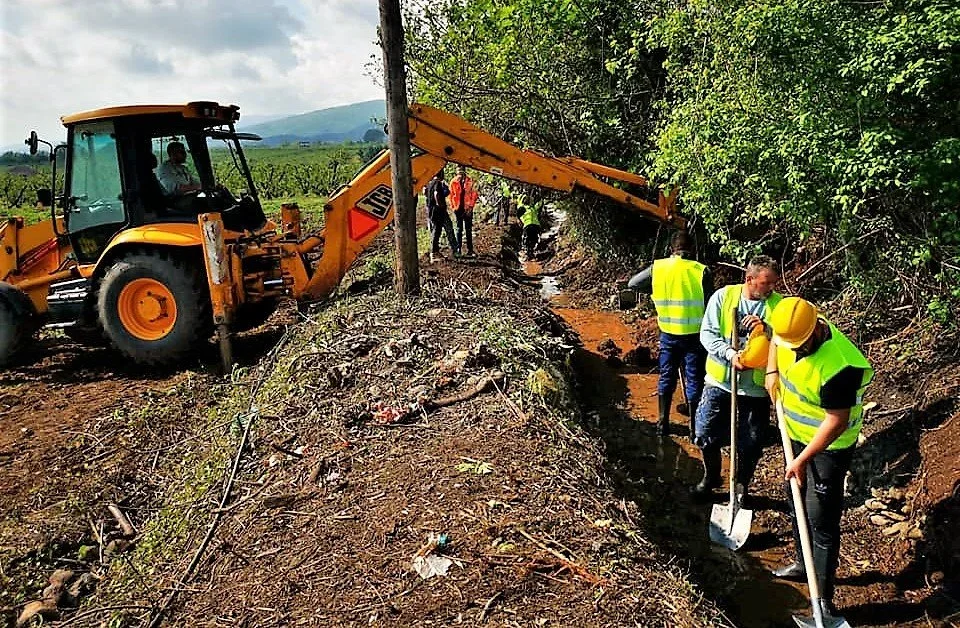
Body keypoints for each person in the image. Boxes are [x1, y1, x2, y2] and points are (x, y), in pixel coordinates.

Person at [766, 297, 873, 614]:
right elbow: (775, 337)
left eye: (798, 346)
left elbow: (835, 422)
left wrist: (800, 460)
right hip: (795, 435)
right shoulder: (790, 321)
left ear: (814, 331)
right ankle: (803, 564)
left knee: (821, 517)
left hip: (829, 447)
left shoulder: (842, 366)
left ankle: (823, 601)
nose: (793, 350)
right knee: (794, 497)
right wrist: (771, 369)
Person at [691, 255, 783, 499]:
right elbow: (708, 334)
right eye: (766, 283)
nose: (771, 288)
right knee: (704, 432)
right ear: (749, 278)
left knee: (752, 442)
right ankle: (711, 477)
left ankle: (741, 485)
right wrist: (730, 354)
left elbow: (788, 339)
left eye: (774, 283)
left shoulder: (778, 305)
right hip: (720, 381)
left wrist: (766, 327)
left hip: (755, 387)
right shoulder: (723, 297)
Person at [627, 231, 712, 436]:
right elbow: (710, 302)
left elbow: (633, 284)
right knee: (694, 379)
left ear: (671, 249)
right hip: (694, 335)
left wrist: (656, 289)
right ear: (691, 249)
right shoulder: (701, 271)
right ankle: (694, 429)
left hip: (668, 334)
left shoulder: (659, 268)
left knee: (667, 376)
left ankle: (662, 424)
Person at [425, 170, 457, 262]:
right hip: (438, 211)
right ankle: (434, 253)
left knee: (436, 231)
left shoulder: (430, 183)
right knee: (436, 231)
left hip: (432, 211)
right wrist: (440, 204)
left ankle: (436, 252)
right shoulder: (438, 183)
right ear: (441, 174)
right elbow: (436, 194)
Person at [450, 165, 479, 256]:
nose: (460, 174)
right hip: (458, 209)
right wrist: (453, 207)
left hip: (467, 209)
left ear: (464, 172)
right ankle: (458, 249)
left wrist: (470, 207)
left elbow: (474, 195)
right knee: (459, 229)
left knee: (468, 229)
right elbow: (451, 196)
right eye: (458, 172)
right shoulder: (453, 182)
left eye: (461, 172)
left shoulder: (470, 181)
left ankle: (470, 250)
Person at [517, 193, 541, 258]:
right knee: (530, 239)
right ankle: (529, 251)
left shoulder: (532, 208)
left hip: (532, 226)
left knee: (531, 239)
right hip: (531, 225)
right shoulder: (525, 208)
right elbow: (519, 200)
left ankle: (530, 251)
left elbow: (539, 204)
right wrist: (524, 194)